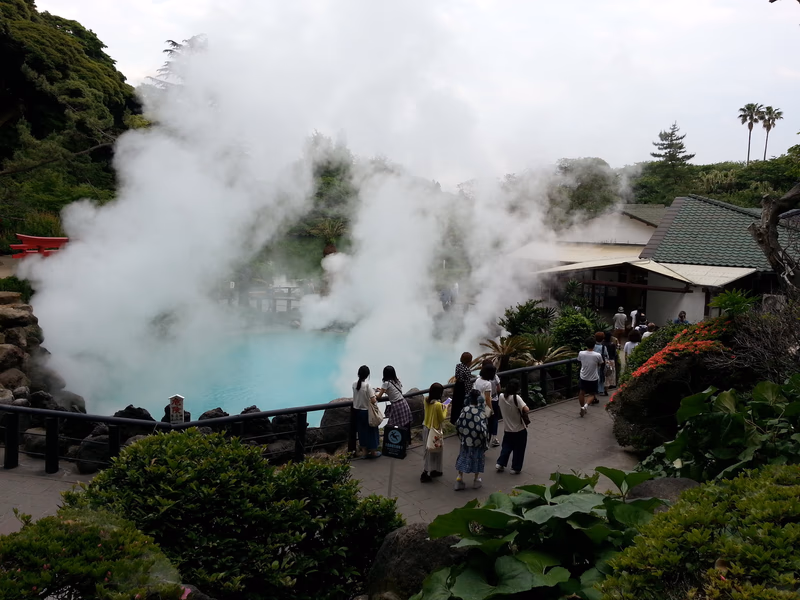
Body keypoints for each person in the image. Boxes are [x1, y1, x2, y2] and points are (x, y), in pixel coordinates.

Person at [454, 389, 490, 490]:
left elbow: (458, 424)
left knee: (463, 456)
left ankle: (459, 478)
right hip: (477, 442)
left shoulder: (465, 409)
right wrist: (485, 441)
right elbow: (483, 429)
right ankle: (476, 479)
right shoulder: (480, 412)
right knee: (477, 459)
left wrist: (462, 435)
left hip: (465, 440)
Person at [495, 379, 530, 474]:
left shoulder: (501, 396)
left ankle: (500, 463)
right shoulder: (516, 398)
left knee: (506, 446)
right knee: (519, 449)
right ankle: (515, 468)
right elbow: (526, 409)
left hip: (507, 428)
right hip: (519, 429)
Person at [421, 382, 448, 483]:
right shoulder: (437, 405)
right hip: (434, 429)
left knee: (428, 450)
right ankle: (428, 472)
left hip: (426, 427)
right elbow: (442, 418)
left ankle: (430, 469)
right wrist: (445, 408)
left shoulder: (426, 400)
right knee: (437, 450)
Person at [376, 366, 412, 440]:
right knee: (405, 424)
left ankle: (394, 444)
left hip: (396, 405)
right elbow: (393, 391)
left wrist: (374, 394)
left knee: (393, 425)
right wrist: (383, 390)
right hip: (403, 403)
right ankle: (405, 442)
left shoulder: (386, 383)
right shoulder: (397, 380)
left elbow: (379, 397)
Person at [352, 365, 380, 458]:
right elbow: (373, 400)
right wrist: (375, 394)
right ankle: (373, 452)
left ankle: (364, 452)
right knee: (371, 431)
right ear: (367, 375)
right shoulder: (368, 386)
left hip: (357, 411)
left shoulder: (354, 384)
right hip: (366, 412)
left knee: (361, 432)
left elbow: (360, 393)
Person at [474, 360, 501, 447]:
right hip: (491, 402)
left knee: (483, 422)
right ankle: (492, 439)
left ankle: (480, 441)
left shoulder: (478, 379)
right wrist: (491, 409)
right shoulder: (488, 383)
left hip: (479, 403)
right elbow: (488, 398)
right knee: (494, 420)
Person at [577, 337, 603, 417]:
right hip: (593, 377)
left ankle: (582, 407)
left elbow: (579, 361)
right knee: (592, 394)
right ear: (594, 345)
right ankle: (585, 406)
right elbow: (600, 363)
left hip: (583, 376)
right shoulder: (597, 355)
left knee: (582, 392)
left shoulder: (581, 353)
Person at [451, 352, 473, 425]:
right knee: (462, 406)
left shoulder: (458, 366)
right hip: (463, 389)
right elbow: (468, 383)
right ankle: (462, 422)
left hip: (457, 387)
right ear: (469, 361)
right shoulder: (467, 370)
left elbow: (456, 376)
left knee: (456, 405)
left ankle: (454, 420)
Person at [593, 332, 608, 400]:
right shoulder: (603, 347)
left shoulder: (593, 346)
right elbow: (606, 355)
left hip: (593, 363)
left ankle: (594, 390)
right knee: (601, 376)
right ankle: (600, 389)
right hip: (601, 364)